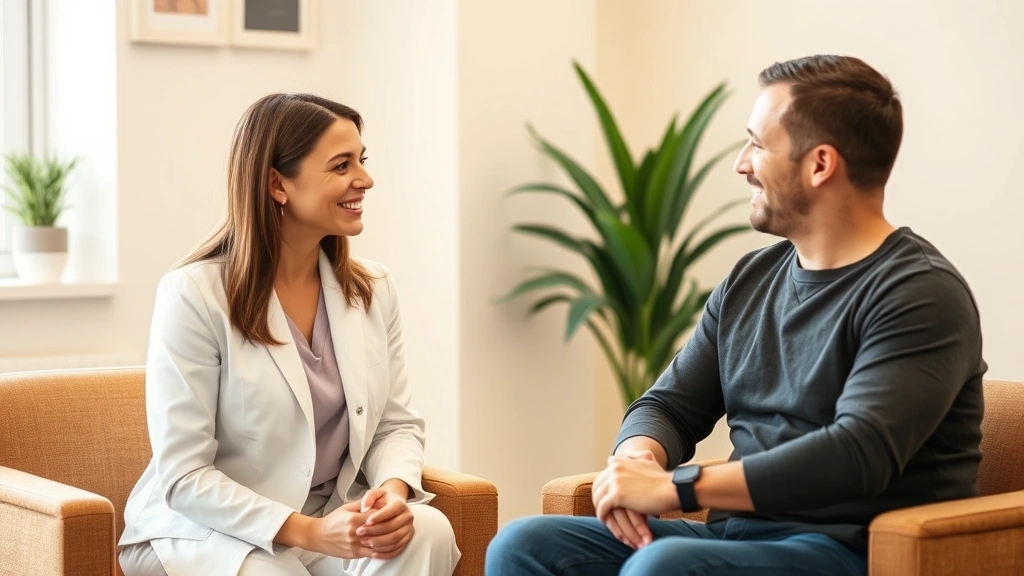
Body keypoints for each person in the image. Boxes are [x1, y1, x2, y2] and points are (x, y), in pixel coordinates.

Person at [486, 55, 986, 576]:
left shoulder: (919, 293)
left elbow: (856, 453)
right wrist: (639, 460)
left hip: (851, 550)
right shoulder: (752, 278)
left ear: (820, 164)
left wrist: (678, 486)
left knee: (664, 567)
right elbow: (670, 407)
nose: (741, 163)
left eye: (757, 144)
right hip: (734, 538)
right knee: (522, 545)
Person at [118, 94, 460, 576]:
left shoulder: (372, 290)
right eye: (342, 166)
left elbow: (394, 426)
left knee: (427, 531)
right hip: (208, 530)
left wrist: (392, 493)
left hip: (329, 517)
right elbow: (186, 476)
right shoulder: (194, 295)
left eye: (362, 160)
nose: (365, 179)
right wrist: (310, 532)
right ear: (278, 184)